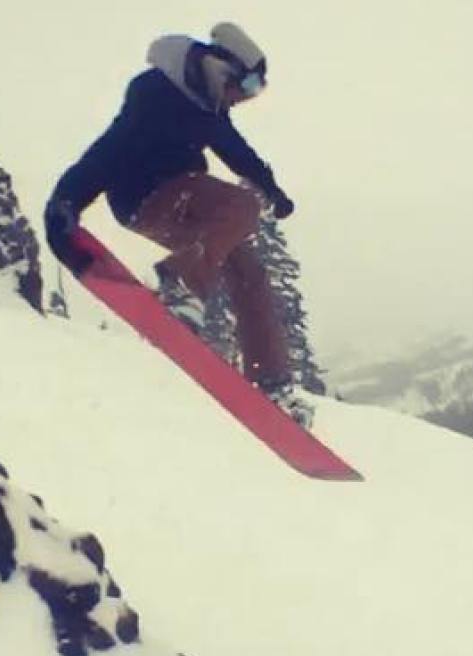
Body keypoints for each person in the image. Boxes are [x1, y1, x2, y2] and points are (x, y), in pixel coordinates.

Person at [44, 22, 308, 422]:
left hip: (188, 205)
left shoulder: (208, 107)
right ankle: (179, 285)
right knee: (242, 207)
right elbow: (108, 150)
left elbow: (238, 152)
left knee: (249, 270)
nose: (246, 99)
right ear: (225, 69)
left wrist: (273, 189)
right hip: (149, 197)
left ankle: (272, 384)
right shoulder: (156, 94)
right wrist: (66, 200)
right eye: (250, 87)